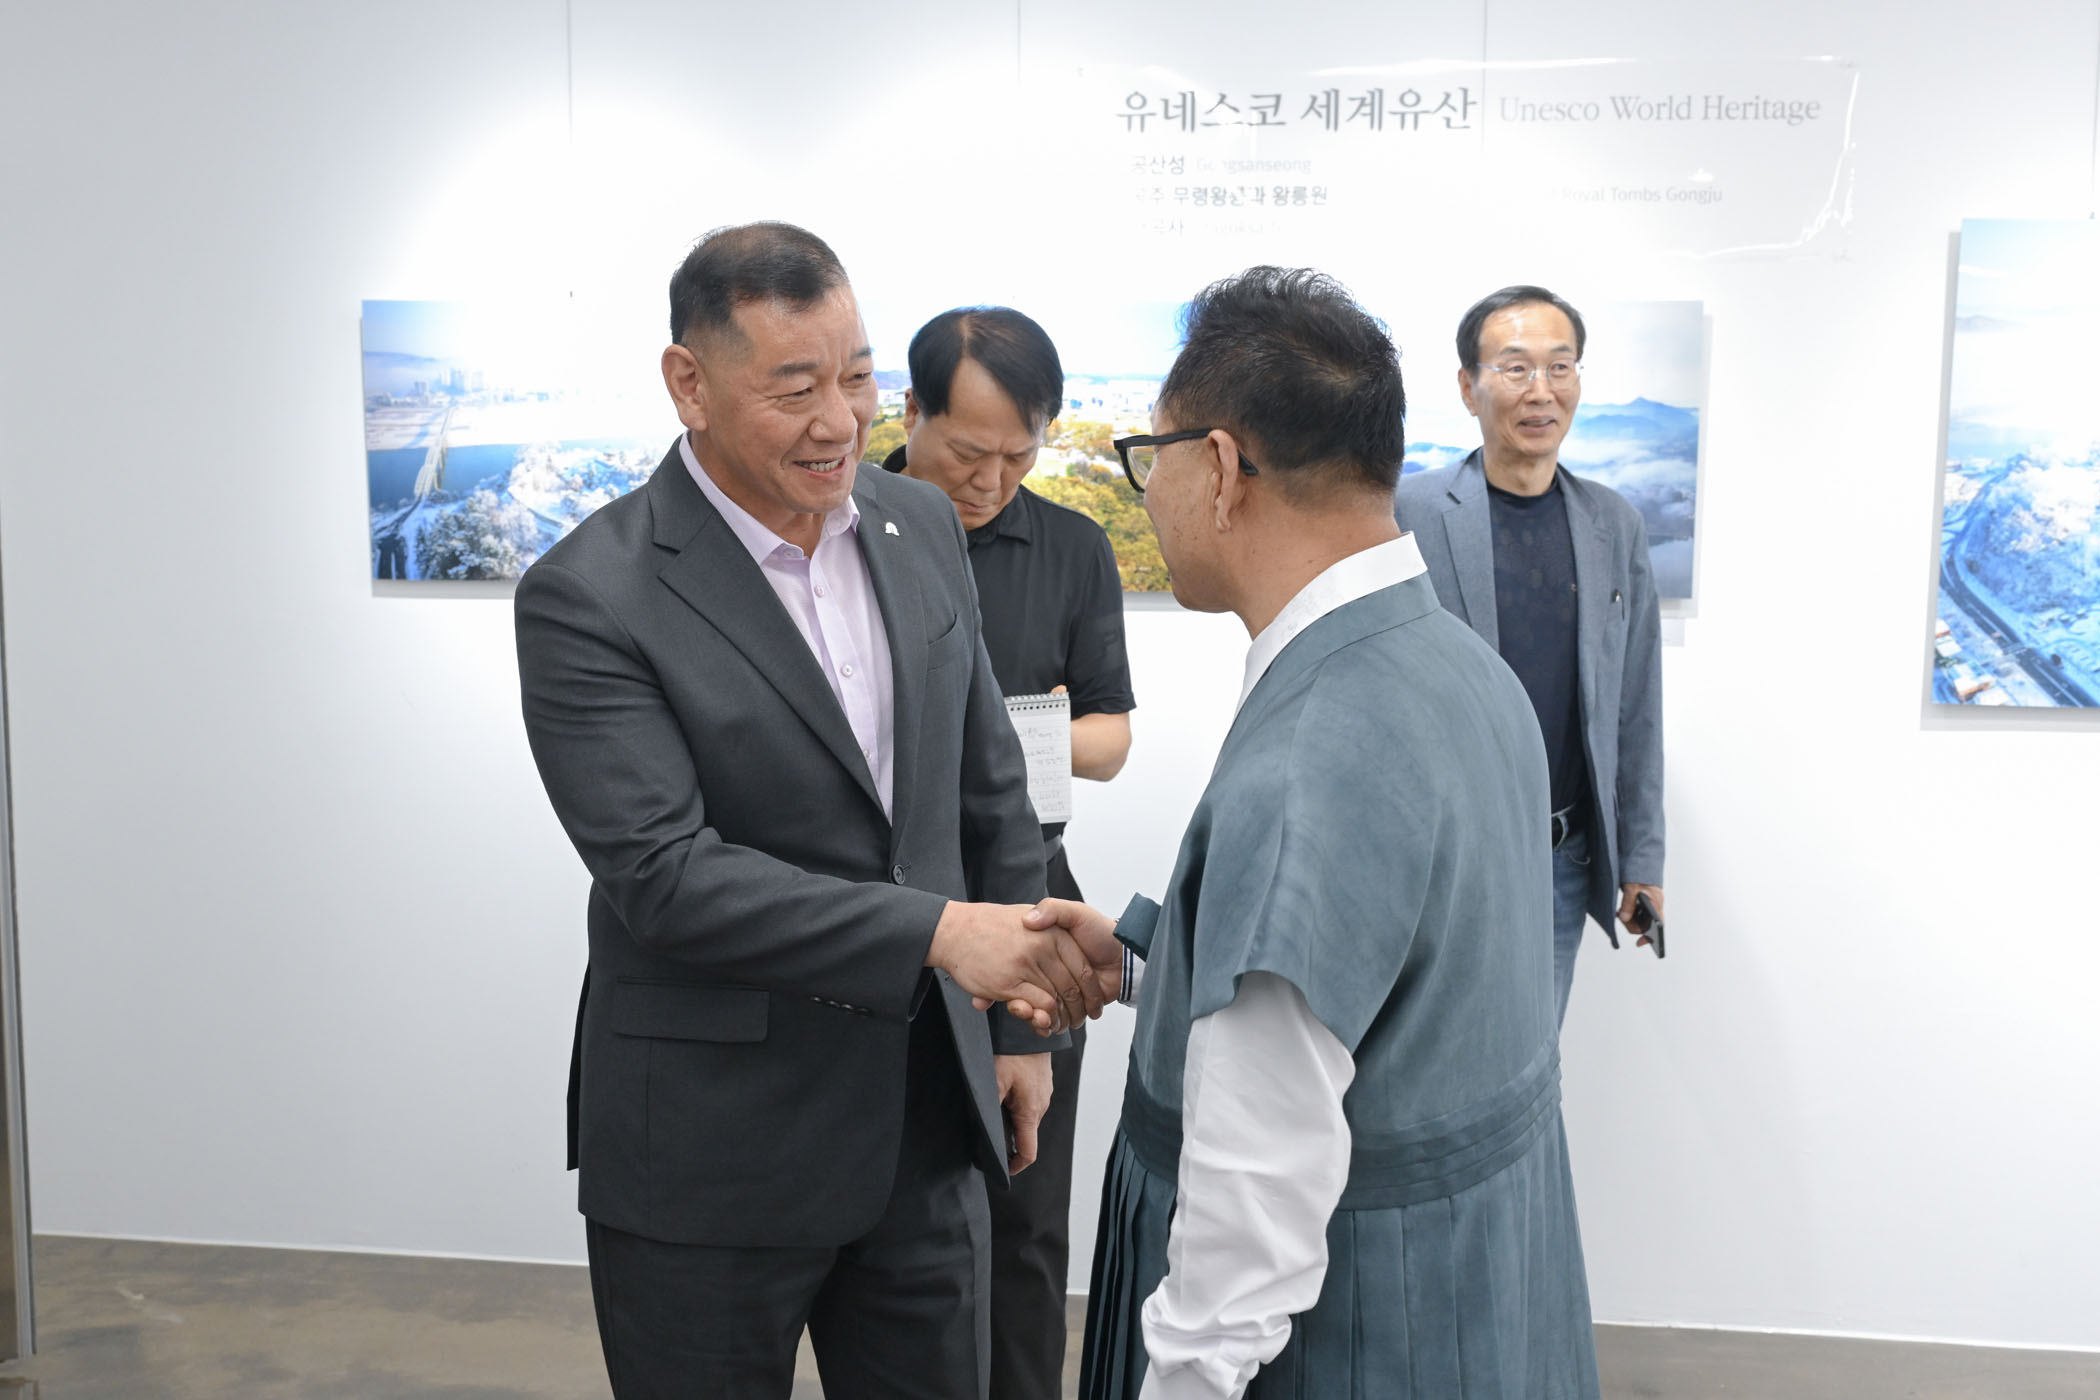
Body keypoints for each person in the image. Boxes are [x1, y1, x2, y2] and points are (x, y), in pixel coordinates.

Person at [513, 222, 1108, 1399]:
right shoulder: (590, 593)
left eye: (857, 376)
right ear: (690, 383)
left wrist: (1020, 1027)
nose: (839, 420)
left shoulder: (915, 522)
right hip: (709, 1154)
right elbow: (669, 877)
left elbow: (988, 784)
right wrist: (944, 934)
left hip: (925, 1127)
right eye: (794, 388)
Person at [1021, 267, 1598, 1398]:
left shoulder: (1311, 752)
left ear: (1220, 467)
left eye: (1152, 456)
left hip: (1358, 1337)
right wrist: (1157, 969)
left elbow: (1250, 1207)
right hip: (1474, 1300)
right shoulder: (1464, 669)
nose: (1150, 490)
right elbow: (1389, 992)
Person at [886, 306, 1136, 1400]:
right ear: (909, 411)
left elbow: (1110, 739)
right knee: (895, 1217)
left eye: (1018, 456)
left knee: (1026, 1214)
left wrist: (1001, 733)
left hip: (1033, 894)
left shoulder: (1071, 547)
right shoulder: (847, 527)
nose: (990, 481)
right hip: (891, 901)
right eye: (965, 452)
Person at [1393, 284, 1665, 1024]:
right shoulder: (1407, 513)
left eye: (1560, 367)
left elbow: (1636, 702)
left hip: (1558, 861)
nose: (1541, 391)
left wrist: (1642, 859)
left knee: (1533, 1062)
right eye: (1515, 368)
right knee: (1415, 1057)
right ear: (1468, 386)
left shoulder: (1613, 523)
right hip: (1436, 857)